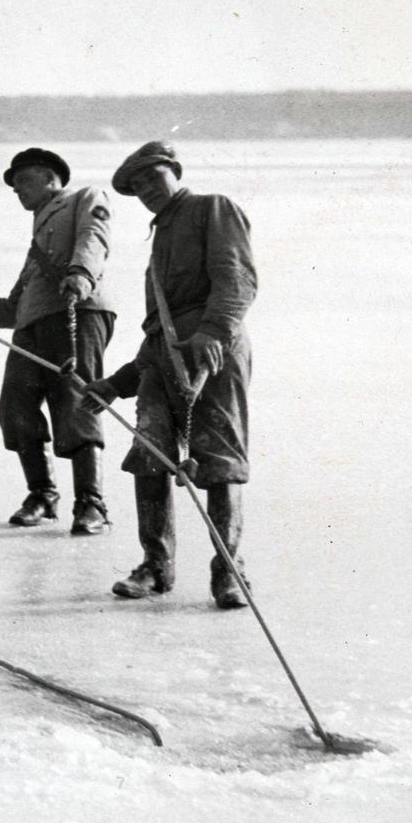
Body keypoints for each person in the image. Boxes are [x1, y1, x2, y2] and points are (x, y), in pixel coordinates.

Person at [81, 141, 257, 609]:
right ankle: (156, 566)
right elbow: (158, 329)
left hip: (214, 354)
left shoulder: (211, 208)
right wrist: (116, 385)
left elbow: (236, 278)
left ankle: (229, 575)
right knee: (149, 454)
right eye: (136, 186)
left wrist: (213, 332)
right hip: (164, 359)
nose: (146, 190)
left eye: (152, 177)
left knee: (219, 463)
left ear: (174, 171)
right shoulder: (159, 236)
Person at [0, 148, 115, 534]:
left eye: (23, 180)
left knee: (76, 405)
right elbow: (14, 308)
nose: (16, 190)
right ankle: (42, 494)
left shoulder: (83, 198)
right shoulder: (36, 244)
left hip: (79, 311)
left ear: (51, 178)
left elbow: (95, 237)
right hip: (33, 326)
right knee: (15, 407)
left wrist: (80, 273)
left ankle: (91, 503)